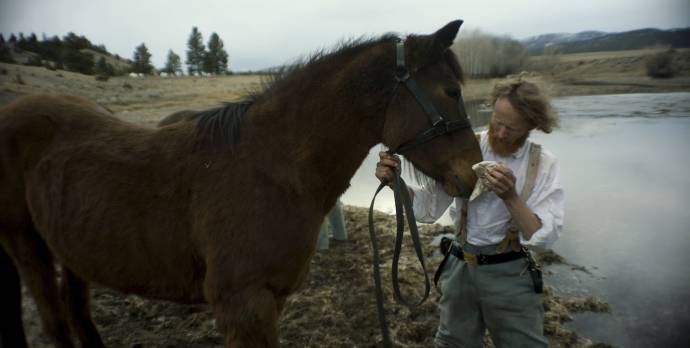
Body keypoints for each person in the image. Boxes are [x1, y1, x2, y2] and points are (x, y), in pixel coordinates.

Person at [375, 78, 564, 348]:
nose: (499, 133)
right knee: (452, 343)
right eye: (496, 121)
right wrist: (397, 183)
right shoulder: (467, 147)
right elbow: (428, 207)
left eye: (511, 128)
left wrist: (510, 196)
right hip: (460, 267)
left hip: (511, 275)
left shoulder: (543, 164)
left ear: (532, 127)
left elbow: (544, 238)